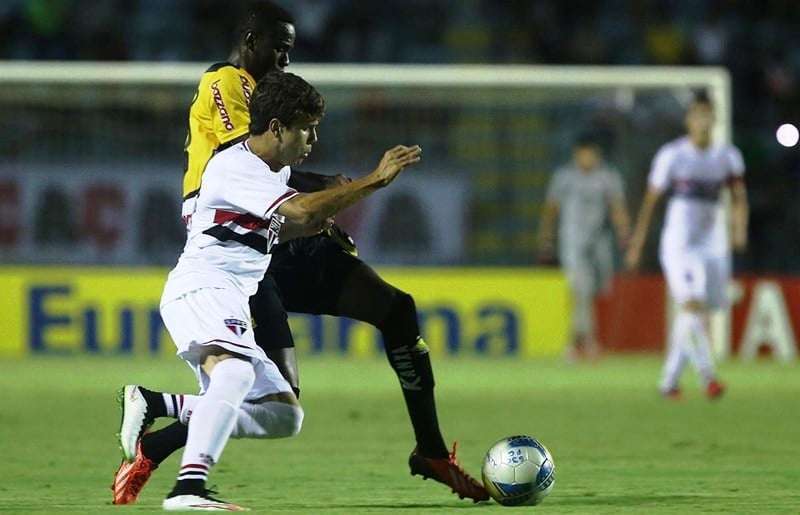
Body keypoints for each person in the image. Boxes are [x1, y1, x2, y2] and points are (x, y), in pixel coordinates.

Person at [112, 0, 488, 506]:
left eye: (291, 52)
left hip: (265, 235)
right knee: (250, 381)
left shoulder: (268, 99)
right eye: (279, 50)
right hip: (234, 242)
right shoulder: (226, 85)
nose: (285, 61)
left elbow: (285, 187)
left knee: (383, 319)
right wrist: (352, 186)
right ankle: (183, 475)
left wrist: (322, 210)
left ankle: (431, 452)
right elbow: (252, 164)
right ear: (251, 42)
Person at [117, 71, 423, 511]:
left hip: (229, 293)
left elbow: (286, 223)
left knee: (283, 415)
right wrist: (373, 180)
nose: (313, 139)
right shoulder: (233, 165)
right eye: (306, 128)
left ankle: (156, 402)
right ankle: (189, 488)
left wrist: (324, 226)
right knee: (235, 374)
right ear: (277, 128)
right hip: (203, 287)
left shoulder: (270, 172)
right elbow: (298, 209)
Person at [625, 92, 748, 400]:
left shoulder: (727, 156)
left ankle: (669, 383)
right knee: (692, 305)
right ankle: (709, 377)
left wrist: (738, 228)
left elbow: (738, 198)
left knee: (697, 311)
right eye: (697, 115)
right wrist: (637, 242)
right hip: (678, 243)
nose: (702, 121)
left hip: (711, 244)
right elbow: (651, 200)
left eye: (707, 115)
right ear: (688, 121)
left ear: (714, 119)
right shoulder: (673, 155)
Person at [537, 135, 630, 360]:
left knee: (594, 291)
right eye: (584, 154)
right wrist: (545, 238)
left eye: (592, 154)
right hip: (572, 240)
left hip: (599, 242)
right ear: (577, 154)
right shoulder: (565, 177)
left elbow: (617, 207)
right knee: (582, 290)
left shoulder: (607, 177)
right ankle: (587, 344)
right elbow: (551, 209)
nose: (588, 159)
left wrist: (625, 234)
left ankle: (573, 341)